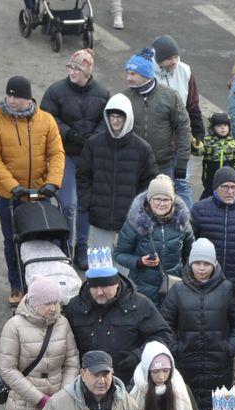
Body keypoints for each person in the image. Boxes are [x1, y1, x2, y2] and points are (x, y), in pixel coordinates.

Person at [0, 75, 65, 305]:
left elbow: (56, 153)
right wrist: (13, 186)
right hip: (9, 195)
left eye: (16, 96)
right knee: (12, 240)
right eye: (9, 95)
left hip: (40, 192)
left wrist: (53, 182)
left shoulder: (46, 120)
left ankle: (41, 283)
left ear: (28, 98)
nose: (11, 100)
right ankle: (17, 284)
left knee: (42, 239)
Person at [161, 237, 235, 410]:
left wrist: (229, 348)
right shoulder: (177, 290)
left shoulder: (227, 289)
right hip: (186, 363)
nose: (201, 268)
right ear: (190, 264)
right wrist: (176, 348)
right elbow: (165, 323)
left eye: (206, 263)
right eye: (197, 263)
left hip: (219, 365)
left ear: (214, 264)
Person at [66, 248, 173, 386]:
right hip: (89, 384)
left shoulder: (139, 304)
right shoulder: (76, 307)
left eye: (104, 287)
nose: (99, 292)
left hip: (129, 383)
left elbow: (163, 337)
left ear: (116, 284)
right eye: (94, 287)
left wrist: (138, 356)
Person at [41, 50, 109, 265]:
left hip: (90, 157)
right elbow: (47, 117)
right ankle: (66, 244)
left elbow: (108, 119)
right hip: (65, 154)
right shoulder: (55, 91)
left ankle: (81, 247)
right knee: (68, 203)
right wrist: (70, 134)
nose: (72, 72)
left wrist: (94, 137)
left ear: (87, 71)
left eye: (77, 68)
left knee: (85, 205)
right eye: (70, 67)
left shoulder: (102, 93)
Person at [0, 275, 78, 410]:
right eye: (47, 303)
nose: (53, 308)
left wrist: (63, 396)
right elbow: (7, 369)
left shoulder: (62, 323)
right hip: (24, 405)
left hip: (58, 403)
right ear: (34, 303)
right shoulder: (14, 326)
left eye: (55, 302)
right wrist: (40, 399)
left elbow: (71, 363)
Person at [76, 94, 158, 255]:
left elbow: (150, 182)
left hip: (130, 218)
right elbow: (83, 175)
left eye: (119, 116)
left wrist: (139, 207)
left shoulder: (142, 148)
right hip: (100, 215)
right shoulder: (93, 144)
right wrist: (89, 201)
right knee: (101, 263)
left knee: (126, 264)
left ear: (128, 117)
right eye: (112, 116)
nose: (115, 120)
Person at [120, 48, 191, 204]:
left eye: (133, 74)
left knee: (162, 206)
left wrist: (182, 161)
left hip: (163, 166)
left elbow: (184, 129)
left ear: (145, 74)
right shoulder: (124, 98)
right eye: (128, 73)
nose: (128, 78)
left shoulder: (170, 96)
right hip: (133, 166)